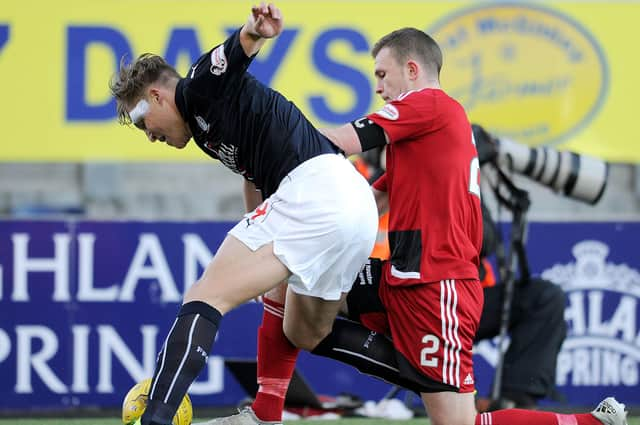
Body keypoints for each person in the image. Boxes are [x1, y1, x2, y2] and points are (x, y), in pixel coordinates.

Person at [200, 27, 628, 425]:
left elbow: (333, 144)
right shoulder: (424, 138)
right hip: (402, 277)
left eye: (382, 74)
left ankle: (589, 422)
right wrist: (286, 226)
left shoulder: (430, 105)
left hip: (437, 287)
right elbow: (364, 199)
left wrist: (261, 140)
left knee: (461, 422)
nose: (378, 85)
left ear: (412, 69)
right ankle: (265, 412)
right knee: (298, 292)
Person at [109, 3, 379, 425]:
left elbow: (235, 54)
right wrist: (259, 247)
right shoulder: (206, 127)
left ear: (156, 96)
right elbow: (252, 177)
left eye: (146, 126)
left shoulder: (195, 87)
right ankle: (435, 379)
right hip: (350, 201)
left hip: (315, 192)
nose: (152, 138)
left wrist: (254, 31)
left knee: (203, 295)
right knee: (307, 331)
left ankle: (155, 418)